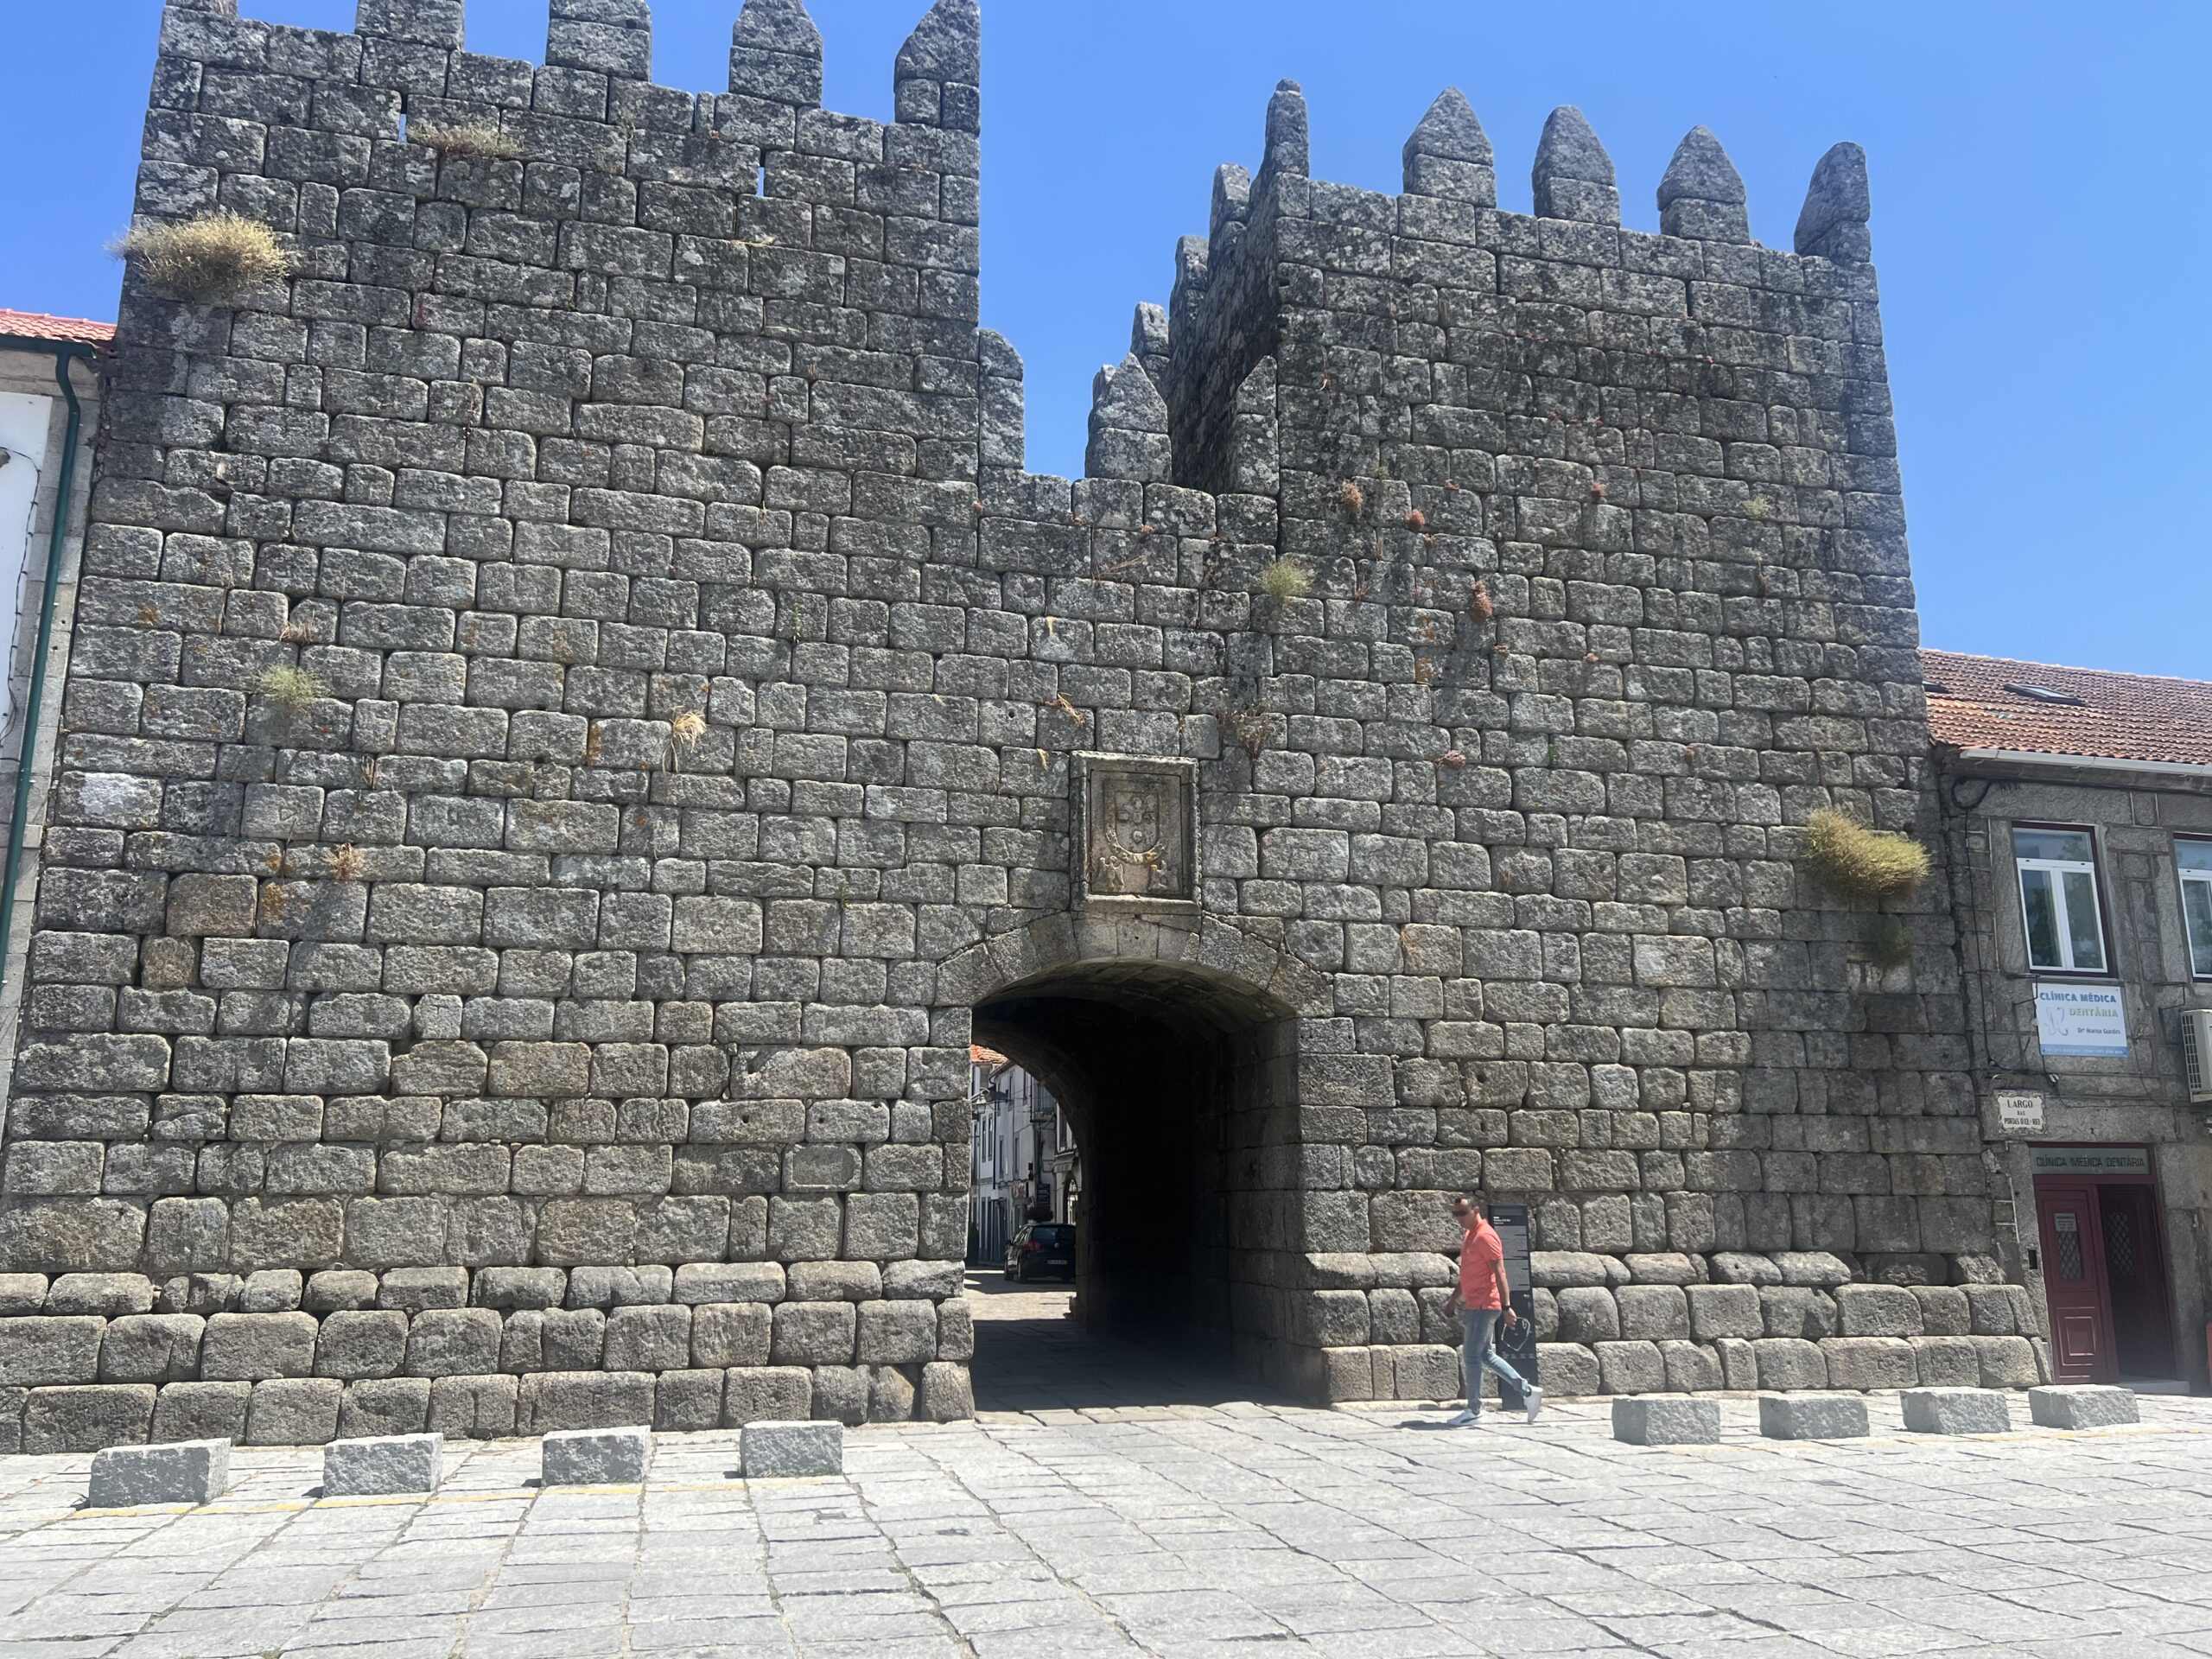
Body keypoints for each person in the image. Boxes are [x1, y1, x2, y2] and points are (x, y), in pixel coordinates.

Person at [1445, 1194, 1541, 1427]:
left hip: (1484, 1305)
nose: (1459, 1218)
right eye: (1455, 1213)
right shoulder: (1470, 1236)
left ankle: (1474, 1409)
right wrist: (1453, 1299)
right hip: (1474, 1304)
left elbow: (1500, 1273)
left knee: (1471, 1357)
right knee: (1485, 1355)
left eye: (1462, 1213)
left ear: (1476, 1210)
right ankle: (1528, 1391)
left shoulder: (1486, 1237)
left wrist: (1507, 1307)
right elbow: (1467, 1274)